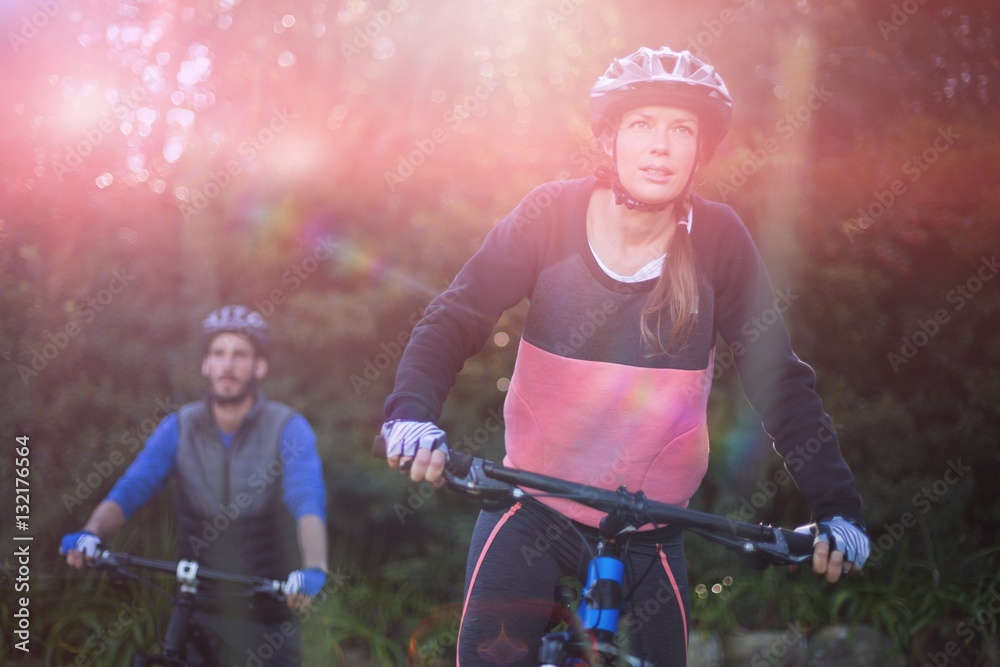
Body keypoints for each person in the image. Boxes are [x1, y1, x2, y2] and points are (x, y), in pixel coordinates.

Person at [380, 47, 870, 665]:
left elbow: (780, 384)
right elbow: (456, 317)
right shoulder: (550, 214)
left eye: (681, 129)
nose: (661, 146)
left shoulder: (719, 241)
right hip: (531, 511)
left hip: (651, 533)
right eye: (642, 124)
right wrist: (412, 415)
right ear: (610, 137)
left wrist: (837, 511)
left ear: (701, 151)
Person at [62, 305, 328, 667]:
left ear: (259, 367)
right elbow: (135, 485)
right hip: (197, 608)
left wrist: (315, 567)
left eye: (240, 354)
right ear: (206, 365)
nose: (228, 365)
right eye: (218, 354)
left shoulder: (287, 427)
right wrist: (91, 533)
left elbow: (306, 496)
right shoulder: (179, 426)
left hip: (269, 611)